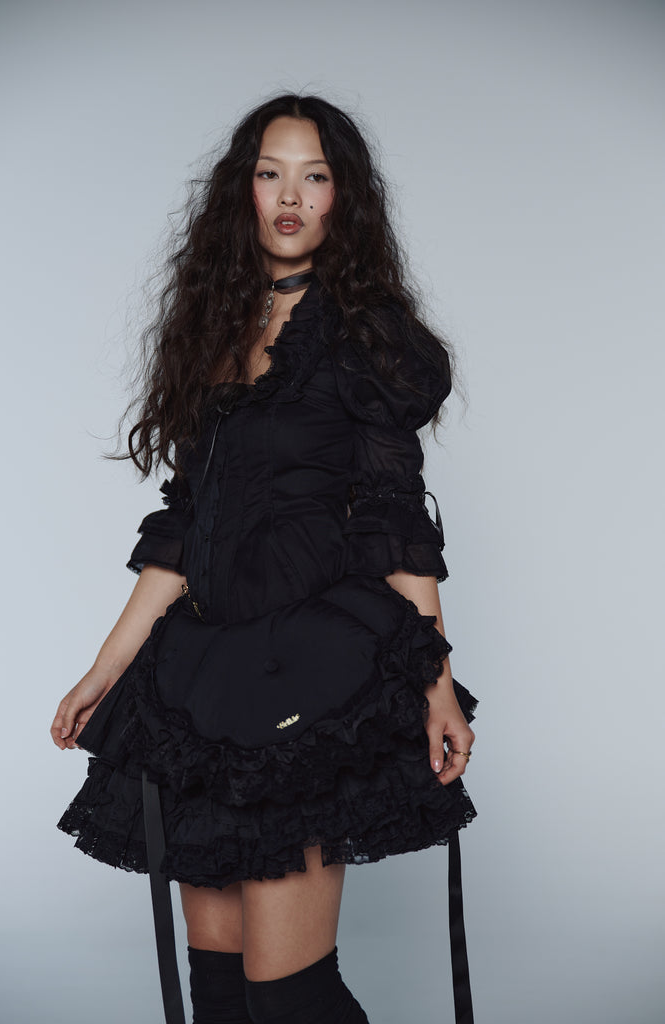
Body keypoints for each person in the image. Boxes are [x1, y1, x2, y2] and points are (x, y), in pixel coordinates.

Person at [51, 94, 477, 1024]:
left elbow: (397, 525)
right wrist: (102, 671)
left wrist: (436, 685)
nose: (290, 197)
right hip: (201, 684)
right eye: (270, 174)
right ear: (241, 191)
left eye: (314, 176)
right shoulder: (214, 327)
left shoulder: (365, 336)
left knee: (286, 995)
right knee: (218, 991)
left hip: (308, 683)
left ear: (342, 197)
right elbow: (184, 530)